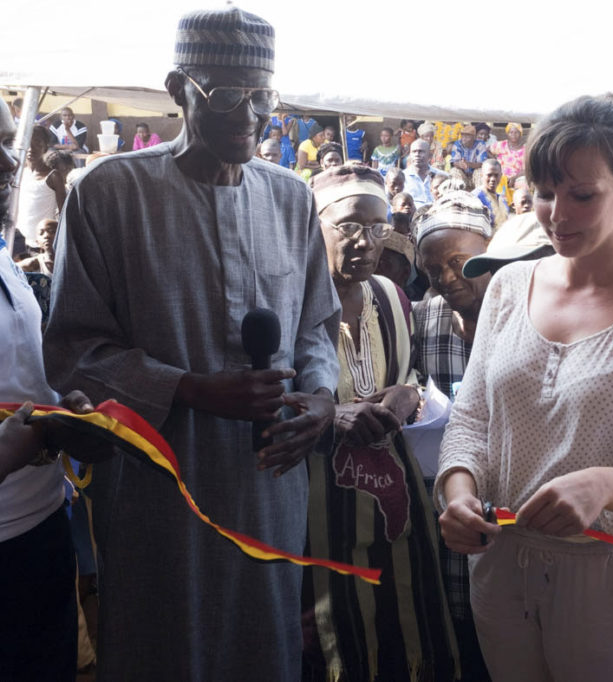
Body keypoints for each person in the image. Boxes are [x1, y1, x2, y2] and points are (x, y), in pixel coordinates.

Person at [43, 10, 341, 680]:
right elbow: (72, 350)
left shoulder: (291, 198)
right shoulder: (109, 193)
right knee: (162, 646)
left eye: (263, 97)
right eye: (228, 96)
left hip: (270, 488)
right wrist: (190, 389)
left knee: (263, 651)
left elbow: (316, 327)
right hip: (158, 494)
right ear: (179, 88)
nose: (251, 116)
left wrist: (321, 402)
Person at [435, 93, 613, 681]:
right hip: (501, 569)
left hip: (608, 584)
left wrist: (605, 486)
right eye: (543, 192)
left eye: (582, 195)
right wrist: (458, 492)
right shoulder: (510, 286)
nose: (557, 214)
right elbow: (473, 421)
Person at [308, 165, 456, 682]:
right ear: (313, 225)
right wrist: (331, 411)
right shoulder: (289, 301)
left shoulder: (393, 298)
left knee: (404, 609)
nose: (364, 242)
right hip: (314, 494)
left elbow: (410, 374)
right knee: (332, 625)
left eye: (377, 228)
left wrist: (404, 395)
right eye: (348, 226)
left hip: (394, 485)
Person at [0, 97, 114, 682]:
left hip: (40, 526)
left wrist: (64, 410)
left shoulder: (4, 256)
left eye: (5, 146)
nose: (5, 166)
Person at [412, 191, 495, 679]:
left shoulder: (529, 317)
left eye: (461, 262)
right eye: (432, 270)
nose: (446, 279)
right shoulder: (422, 321)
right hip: (440, 508)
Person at [13, 126, 64, 252]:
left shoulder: (53, 176)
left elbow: (64, 212)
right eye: (28, 143)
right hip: (19, 243)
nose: (31, 148)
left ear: (45, 147)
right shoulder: (19, 174)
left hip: (41, 245)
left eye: (37, 143)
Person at [474, 158, 510, 229]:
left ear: (501, 176)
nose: (493, 179)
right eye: (489, 175)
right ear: (482, 175)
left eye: (496, 175)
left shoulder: (502, 199)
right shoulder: (476, 197)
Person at [404, 138, 439, 208]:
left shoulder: (441, 176)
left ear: (430, 155)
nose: (417, 154)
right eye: (414, 152)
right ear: (410, 155)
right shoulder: (402, 177)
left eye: (421, 151)